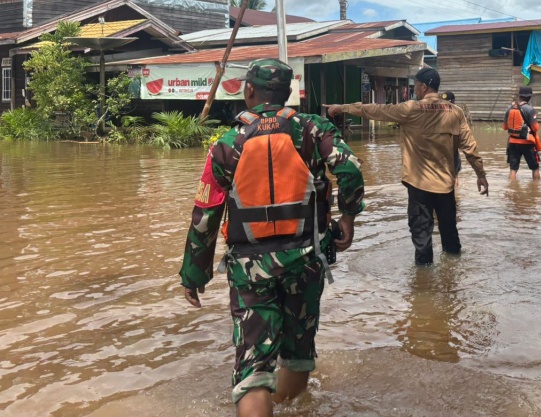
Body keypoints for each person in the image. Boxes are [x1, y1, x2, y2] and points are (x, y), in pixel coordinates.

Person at [179, 59, 365, 417]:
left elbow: (205, 216)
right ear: (289, 92)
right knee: (297, 356)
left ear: (248, 90)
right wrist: (348, 216)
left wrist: (194, 274)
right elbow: (350, 170)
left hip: (249, 268)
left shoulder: (227, 144)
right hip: (306, 259)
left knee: (253, 370)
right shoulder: (313, 129)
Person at [327, 67, 488, 266]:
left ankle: (423, 280)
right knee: (450, 235)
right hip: (446, 186)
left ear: (423, 87)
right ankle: (452, 276)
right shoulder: (455, 112)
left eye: (416, 86)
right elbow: (470, 147)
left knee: (422, 238)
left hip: (419, 186)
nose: (415, 90)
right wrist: (481, 174)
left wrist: (342, 107)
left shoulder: (410, 109)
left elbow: (374, 110)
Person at [503, 86, 541, 181]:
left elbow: (505, 127)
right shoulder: (530, 109)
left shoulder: (509, 108)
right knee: (535, 167)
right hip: (527, 143)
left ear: (520, 96)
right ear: (529, 97)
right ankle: (536, 187)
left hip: (512, 143)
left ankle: (512, 187)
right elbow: (535, 128)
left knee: (513, 169)